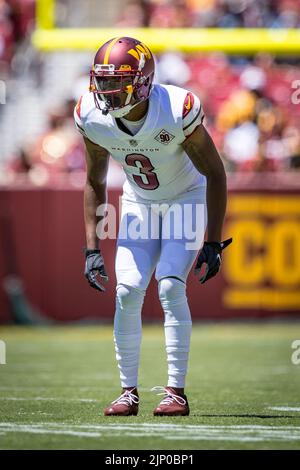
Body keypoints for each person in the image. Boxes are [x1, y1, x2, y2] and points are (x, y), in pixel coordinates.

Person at [74, 36, 231, 417]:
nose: (107, 91)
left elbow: (214, 172)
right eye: (103, 81)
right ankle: (129, 391)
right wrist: (92, 248)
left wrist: (212, 240)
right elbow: (95, 181)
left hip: (185, 198)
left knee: (169, 284)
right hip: (139, 203)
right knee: (127, 291)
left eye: (117, 82)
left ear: (141, 81)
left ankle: (175, 390)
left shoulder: (176, 108)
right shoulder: (91, 116)